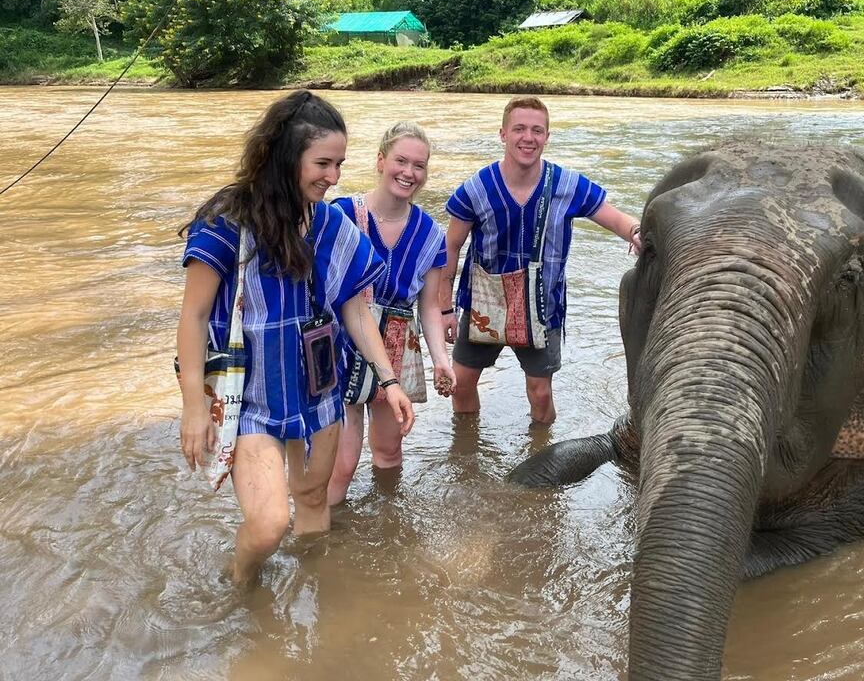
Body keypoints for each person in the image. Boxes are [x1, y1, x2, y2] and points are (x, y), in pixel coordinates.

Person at [177, 90, 414, 585]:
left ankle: (317, 599)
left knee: (311, 502)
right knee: (268, 526)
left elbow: (355, 308)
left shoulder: (331, 223)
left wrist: (389, 381)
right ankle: (240, 581)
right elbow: (195, 316)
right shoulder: (228, 222)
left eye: (340, 164)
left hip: (319, 391)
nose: (333, 177)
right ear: (286, 157)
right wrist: (194, 408)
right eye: (322, 163)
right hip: (252, 402)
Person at [439, 96, 641, 425]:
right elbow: (451, 247)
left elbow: (615, 219)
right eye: (519, 129)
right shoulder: (475, 189)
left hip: (541, 305)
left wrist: (637, 232)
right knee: (462, 386)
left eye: (537, 130)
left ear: (547, 137)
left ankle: (542, 456)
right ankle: (467, 450)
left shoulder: (567, 185)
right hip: (483, 305)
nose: (528, 138)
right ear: (503, 133)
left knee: (541, 393)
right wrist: (445, 309)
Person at [327, 122, 456, 506]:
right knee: (344, 462)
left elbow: (429, 305)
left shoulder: (432, 234)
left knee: (388, 451)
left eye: (419, 165)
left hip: (398, 345)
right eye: (401, 160)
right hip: (341, 346)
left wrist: (440, 361)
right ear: (381, 161)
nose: (409, 173)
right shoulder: (341, 214)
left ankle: (388, 524)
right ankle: (324, 535)